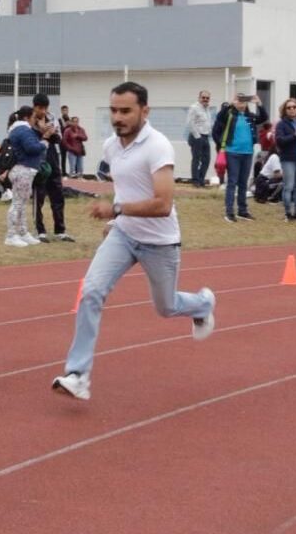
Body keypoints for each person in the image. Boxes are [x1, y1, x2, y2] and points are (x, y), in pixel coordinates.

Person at [51, 82, 216, 401]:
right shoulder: (112, 146)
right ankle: (77, 375)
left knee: (166, 307)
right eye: (113, 110)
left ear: (145, 111)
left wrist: (115, 210)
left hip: (160, 242)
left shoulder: (158, 147)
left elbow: (163, 204)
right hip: (124, 234)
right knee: (91, 291)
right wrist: (116, 221)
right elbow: (127, 188)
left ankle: (203, 304)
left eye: (125, 111)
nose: (118, 117)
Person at [211, 94, 262, 222]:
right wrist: (230, 104)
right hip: (232, 152)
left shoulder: (249, 117)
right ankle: (229, 212)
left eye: (244, 101)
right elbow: (219, 119)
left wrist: (259, 104)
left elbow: (263, 118)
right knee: (232, 182)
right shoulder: (229, 115)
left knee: (243, 183)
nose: (241, 103)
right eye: (239, 100)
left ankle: (242, 211)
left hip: (248, 152)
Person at [31, 94, 73, 242]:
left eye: (45, 108)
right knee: (39, 196)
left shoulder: (52, 118)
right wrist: (41, 130)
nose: (43, 111)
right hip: (37, 159)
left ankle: (60, 230)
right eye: (40, 108)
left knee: (58, 194)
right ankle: (40, 231)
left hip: (52, 157)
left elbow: (58, 138)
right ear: (34, 107)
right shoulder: (29, 119)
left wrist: (50, 133)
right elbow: (30, 139)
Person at [5, 106, 46, 247]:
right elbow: (31, 148)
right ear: (26, 117)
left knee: (21, 204)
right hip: (24, 169)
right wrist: (44, 143)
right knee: (17, 204)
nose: (35, 120)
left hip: (22, 169)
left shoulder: (18, 130)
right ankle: (11, 235)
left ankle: (23, 233)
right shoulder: (24, 130)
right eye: (34, 117)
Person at [185, 90, 213, 187]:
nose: (205, 99)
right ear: (199, 98)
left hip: (205, 136)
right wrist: (197, 136)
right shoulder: (194, 108)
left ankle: (201, 180)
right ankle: (195, 181)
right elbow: (189, 123)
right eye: (203, 97)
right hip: (196, 136)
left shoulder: (207, 109)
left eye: (207, 98)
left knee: (206, 159)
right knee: (196, 159)